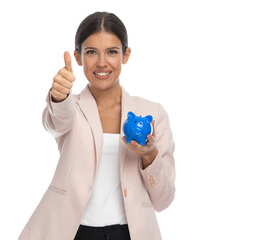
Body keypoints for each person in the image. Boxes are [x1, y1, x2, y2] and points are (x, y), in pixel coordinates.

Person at [18, 12, 175, 240]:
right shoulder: (71, 107)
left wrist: (150, 156)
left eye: (112, 52)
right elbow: (56, 122)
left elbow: (164, 200)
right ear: (78, 57)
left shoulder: (153, 114)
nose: (102, 63)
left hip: (129, 234)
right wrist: (59, 97)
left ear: (126, 54)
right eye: (91, 52)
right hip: (73, 232)